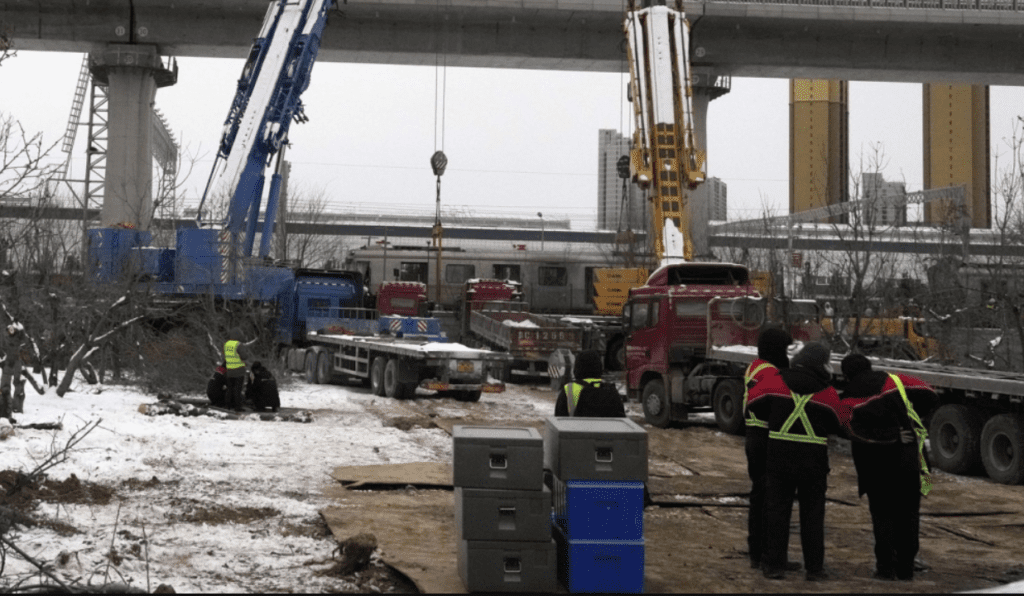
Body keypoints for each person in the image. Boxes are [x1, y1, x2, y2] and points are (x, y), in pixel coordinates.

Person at [747, 342, 844, 581]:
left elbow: (753, 406)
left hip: (779, 457)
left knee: (777, 512)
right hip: (813, 461)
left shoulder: (774, 382)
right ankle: (814, 569)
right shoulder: (827, 392)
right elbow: (840, 422)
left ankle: (773, 565)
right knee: (812, 515)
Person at [839, 354, 939, 581]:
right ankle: (906, 569)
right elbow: (930, 393)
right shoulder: (896, 380)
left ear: (846, 374)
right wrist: (910, 418)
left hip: (875, 467)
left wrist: (888, 436)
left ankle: (885, 568)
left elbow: (851, 430)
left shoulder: (849, 397)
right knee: (909, 515)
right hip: (909, 463)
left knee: (882, 516)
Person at [742, 328, 799, 572]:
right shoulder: (770, 372)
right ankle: (768, 554)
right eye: (786, 348)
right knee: (770, 500)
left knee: (759, 497)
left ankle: (758, 552)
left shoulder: (756, 366)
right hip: (765, 438)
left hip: (754, 436)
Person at [554, 350, 625, 417]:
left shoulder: (568, 390)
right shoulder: (611, 391)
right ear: (599, 367)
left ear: (577, 367)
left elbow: (558, 420)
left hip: (576, 429)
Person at [223, 327, 251, 412]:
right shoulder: (239, 344)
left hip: (229, 371)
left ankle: (227, 406)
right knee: (237, 390)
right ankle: (237, 407)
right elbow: (244, 356)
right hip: (239, 371)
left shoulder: (226, 344)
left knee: (230, 389)